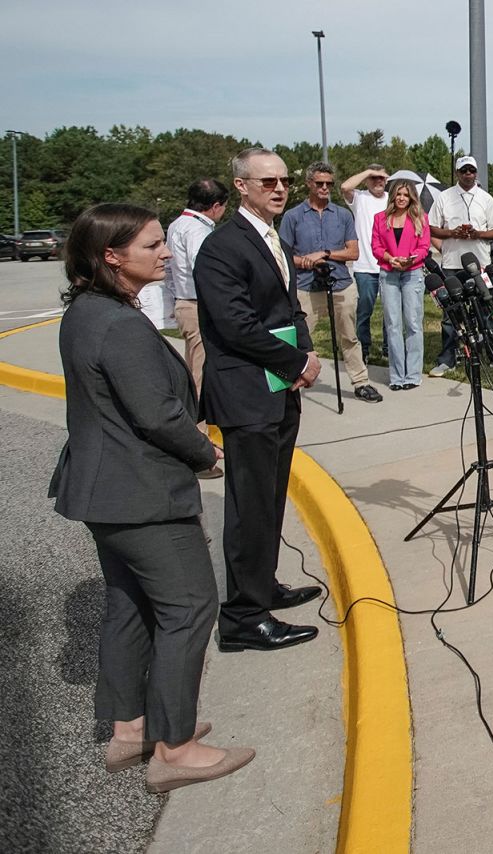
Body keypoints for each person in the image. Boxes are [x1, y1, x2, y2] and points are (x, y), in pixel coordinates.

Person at [51, 203, 254, 792]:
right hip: (141, 493)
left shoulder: (86, 313)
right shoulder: (118, 325)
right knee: (189, 606)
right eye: (151, 246)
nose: (165, 252)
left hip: (103, 491)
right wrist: (205, 454)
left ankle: (132, 728)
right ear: (111, 256)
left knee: (130, 604)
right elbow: (158, 414)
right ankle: (178, 747)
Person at [194, 147, 322, 652]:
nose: (280, 188)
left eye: (284, 180)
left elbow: (288, 309)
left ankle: (262, 586)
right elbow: (235, 325)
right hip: (248, 391)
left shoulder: (272, 237)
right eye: (267, 181)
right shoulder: (223, 246)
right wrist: (295, 363)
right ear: (241, 187)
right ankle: (244, 617)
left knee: (270, 497)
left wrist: (305, 355)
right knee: (249, 505)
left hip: (279, 389)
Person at [279, 161, 382, 403]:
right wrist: (305, 261)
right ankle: (291, 381)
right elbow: (281, 255)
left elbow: (353, 252)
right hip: (305, 285)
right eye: (320, 183)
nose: (325, 187)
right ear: (309, 184)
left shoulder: (343, 215)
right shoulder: (293, 216)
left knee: (349, 336)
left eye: (329, 184)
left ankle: (360, 382)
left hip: (340, 283)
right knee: (300, 338)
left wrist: (325, 254)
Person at [163, 177, 229, 473]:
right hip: (199, 305)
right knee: (199, 376)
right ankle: (199, 450)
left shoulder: (177, 224)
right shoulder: (197, 230)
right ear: (215, 206)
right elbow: (205, 269)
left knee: (196, 371)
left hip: (185, 301)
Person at [428, 155, 493, 374]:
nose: (468, 174)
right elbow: (432, 227)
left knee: (486, 310)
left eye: (471, 170)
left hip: (479, 261)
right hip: (451, 261)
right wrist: (453, 233)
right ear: (458, 173)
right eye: (463, 171)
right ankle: (447, 359)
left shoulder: (486, 198)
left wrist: (476, 233)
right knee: (450, 314)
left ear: (476, 173)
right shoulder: (444, 197)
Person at [371, 180, 433, 390]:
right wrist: (390, 258)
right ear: (392, 196)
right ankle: (397, 376)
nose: (401, 198)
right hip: (389, 273)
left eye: (406, 195)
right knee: (393, 325)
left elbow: (424, 247)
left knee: (413, 323)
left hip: (412, 272)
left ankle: (413, 375)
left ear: (411, 197)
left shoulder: (420, 218)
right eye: (398, 194)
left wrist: (410, 259)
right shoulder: (380, 218)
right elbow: (376, 246)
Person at [339, 163, 390, 363]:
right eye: (373, 178)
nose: (378, 181)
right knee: (365, 309)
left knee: (390, 309)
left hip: (388, 264)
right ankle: (364, 347)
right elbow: (345, 187)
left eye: (381, 178)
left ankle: (388, 348)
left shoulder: (391, 199)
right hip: (365, 266)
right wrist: (369, 171)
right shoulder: (359, 198)